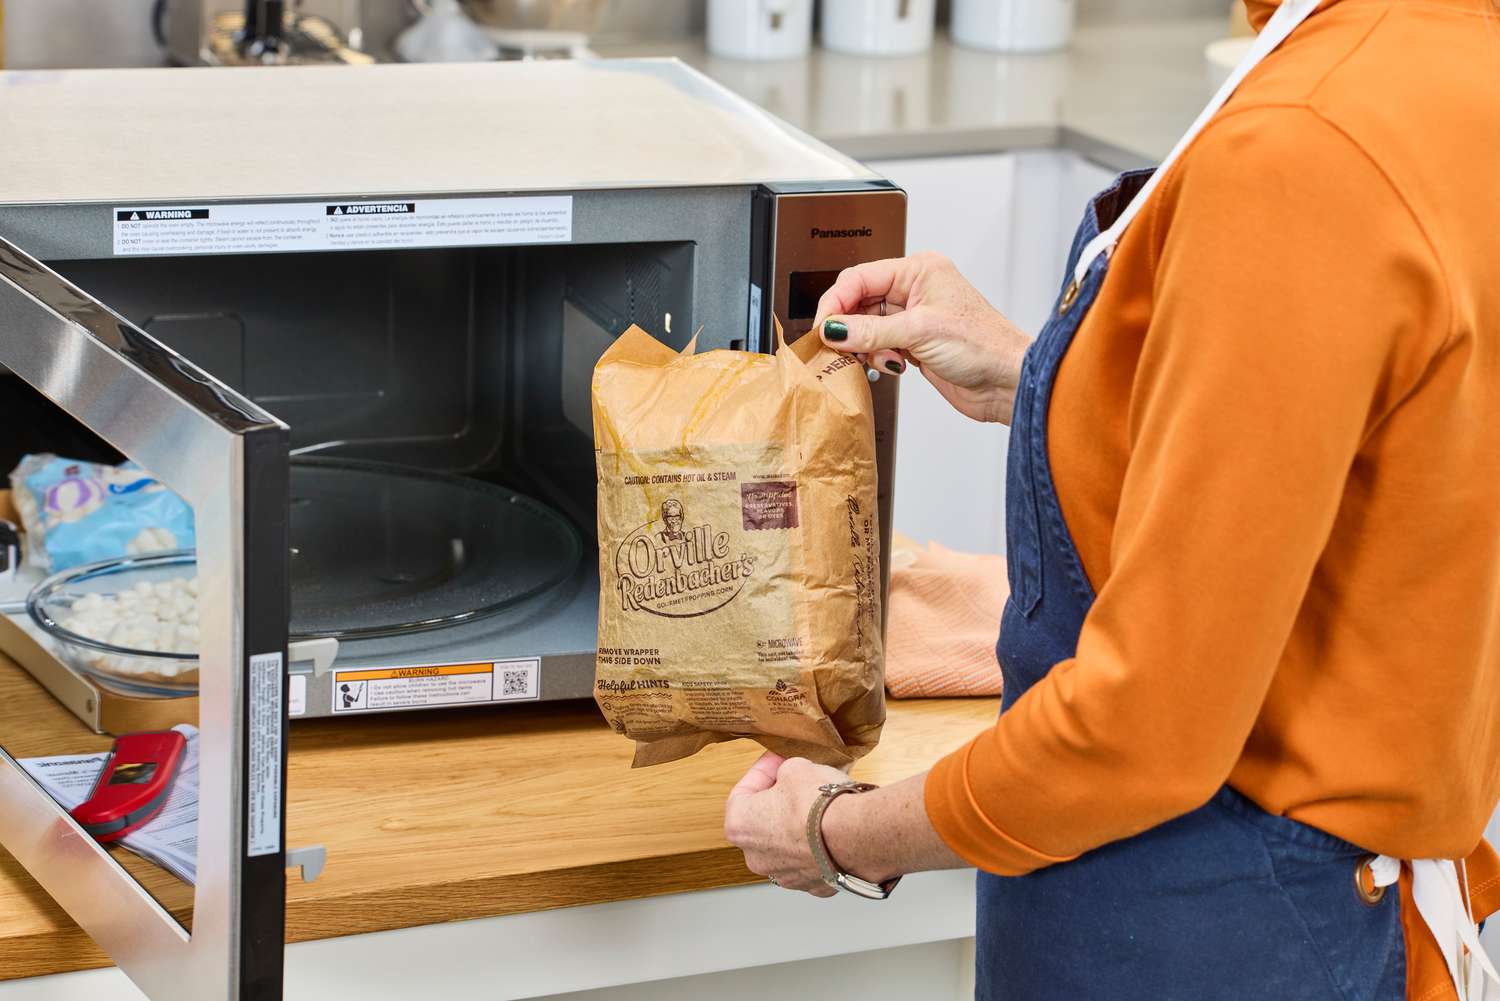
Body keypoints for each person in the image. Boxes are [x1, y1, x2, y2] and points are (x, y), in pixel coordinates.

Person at [722, 1, 1500, 998]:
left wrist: (838, 831)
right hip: (1343, 915)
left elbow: (1143, 733)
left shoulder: (1303, 145)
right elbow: (1352, 471)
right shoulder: (1447, 57)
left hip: (1209, 927)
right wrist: (1036, 375)